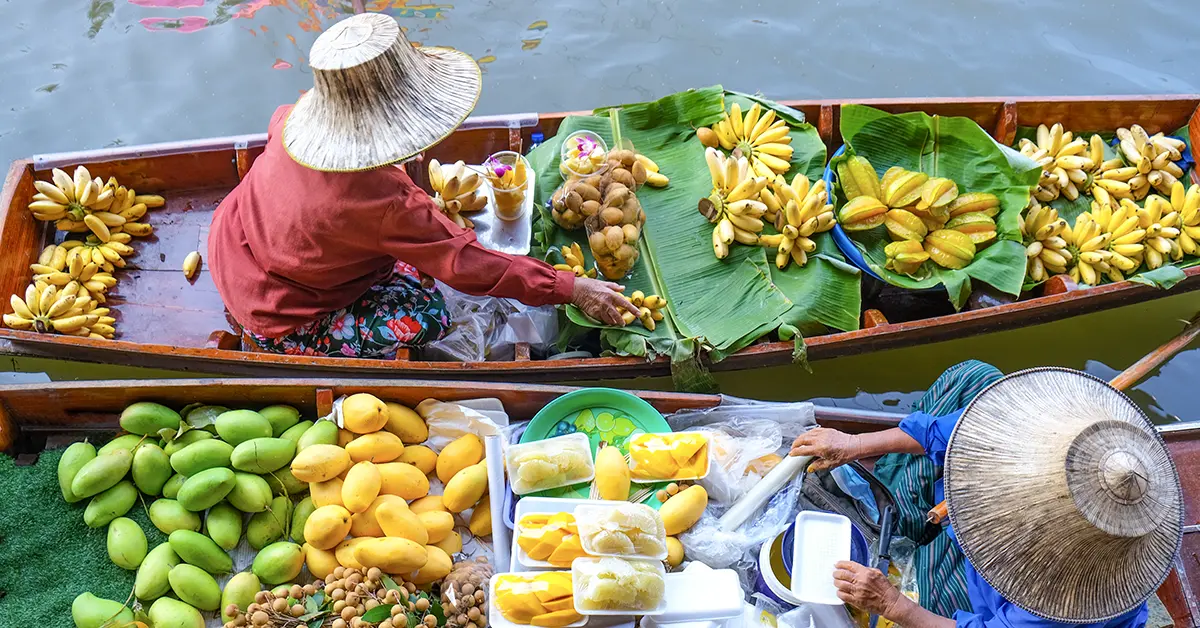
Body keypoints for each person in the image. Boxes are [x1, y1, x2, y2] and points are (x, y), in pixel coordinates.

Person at [208, 12, 635, 358]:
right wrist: (570, 287)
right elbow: (465, 264)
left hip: (231, 240)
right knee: (429, 313)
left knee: (416, 263)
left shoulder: (293, 116)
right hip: (277, 309)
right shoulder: (385, 203)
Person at [790, 366, 1181, 628]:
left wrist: (893, 604)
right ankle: (906, 503)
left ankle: (909, 520)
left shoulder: (1060, 601)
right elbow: (938, 433)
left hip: (1012, 591)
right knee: (975, 376)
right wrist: (853, 443)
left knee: (924, 590)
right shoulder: (1041, 431)